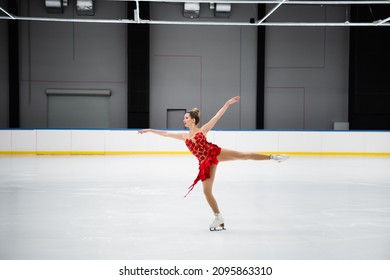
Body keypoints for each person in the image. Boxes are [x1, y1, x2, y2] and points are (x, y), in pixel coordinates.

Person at [138, 96, 288, 231]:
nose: (183, 120)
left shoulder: (202, 131)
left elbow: (217, 117)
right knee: (206, 191)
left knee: (244, 155)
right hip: (205, 163)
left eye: (186, 118)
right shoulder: (184, 136)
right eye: (184, 118)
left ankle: (273, 157)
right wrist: (150, 130)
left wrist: (227, 104)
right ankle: (218, 217)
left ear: (193, 120)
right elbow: (165, 134)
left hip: (214, 153)